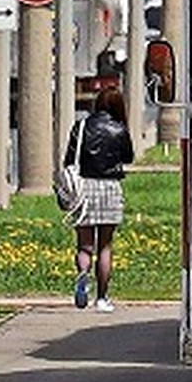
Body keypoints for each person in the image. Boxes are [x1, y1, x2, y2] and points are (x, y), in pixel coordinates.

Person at [65, 85, 134, 313]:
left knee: (85, 245)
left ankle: (83, 274)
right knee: (105, 245)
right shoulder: (119, 129)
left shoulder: (81, 126)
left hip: (84, 188)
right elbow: (128, 157)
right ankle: (102, 298)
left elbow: (69, 159)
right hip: (110, 188)